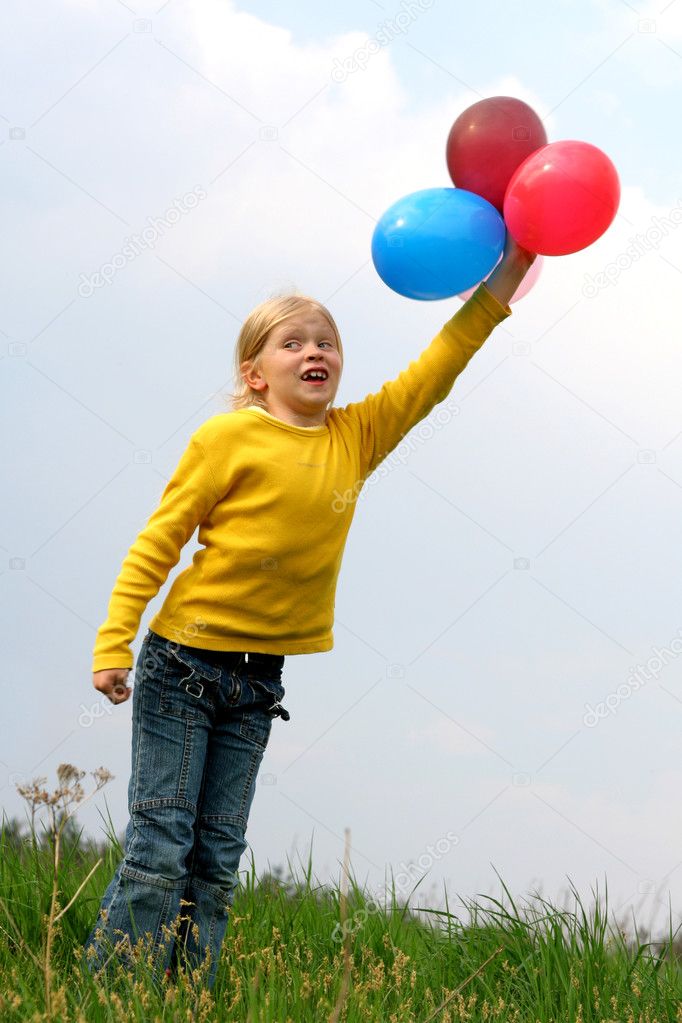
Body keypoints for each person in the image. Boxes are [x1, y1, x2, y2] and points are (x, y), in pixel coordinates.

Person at [83, 236, 535, 989]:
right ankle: (110, 992)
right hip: (182, 663)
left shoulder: (354, 439)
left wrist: (512, 269)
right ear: (256, 374)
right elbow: (158, 542)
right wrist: (112, 642)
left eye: (326, 340)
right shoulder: (228, 437)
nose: (314, 350)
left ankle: (187, 997)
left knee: (217, 859)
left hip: (258, 681)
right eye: (292, 342)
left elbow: (438, 367)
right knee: (162, 845)